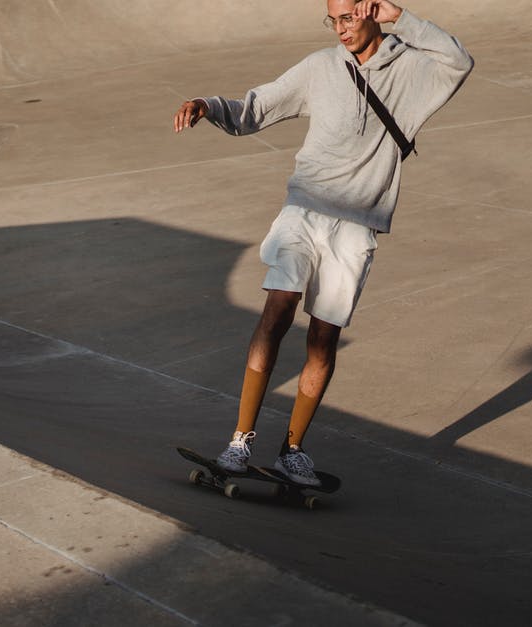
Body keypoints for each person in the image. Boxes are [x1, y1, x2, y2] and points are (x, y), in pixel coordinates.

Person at [172, 0, 472, 485]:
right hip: (304, 210)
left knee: (323, 337)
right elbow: (258, 106)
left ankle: (293, 449)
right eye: (333, 20)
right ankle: (239, 441)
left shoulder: (413, 71)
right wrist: (209, 106)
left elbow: (459, 61)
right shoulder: (320, 67)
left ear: (373, 11)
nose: (341, 29)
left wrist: (403, 18)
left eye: (349, 17)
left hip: (355, 225)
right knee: (278, 310)